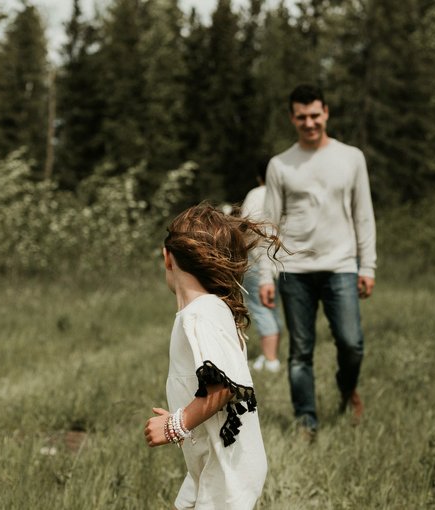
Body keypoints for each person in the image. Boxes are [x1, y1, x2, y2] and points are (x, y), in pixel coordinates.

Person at [144, 203, 282, 510]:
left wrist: (174, 425)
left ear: (168, 257)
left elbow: (221, 389)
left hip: (226, 470)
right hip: (216, 459)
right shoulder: (209, 310)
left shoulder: (200, 315)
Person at [259, 84, 377, 436]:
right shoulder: (280, 164)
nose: (309, 123)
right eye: (301, 117)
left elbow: (363, 214)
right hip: (294, 271)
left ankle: (346, 388)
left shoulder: (351, 157)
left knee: (351, 343)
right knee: (300, 352)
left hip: (341, 264)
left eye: (315, 115)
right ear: (292, 118)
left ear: (326, 112)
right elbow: (270, 225)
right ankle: (306, 421)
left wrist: (367, 265)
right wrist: (266, 275)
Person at [241, 161, 282, 373]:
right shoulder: (288, 193)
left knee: (261, 307)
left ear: (260, 177)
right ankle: (271, 356)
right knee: (272, 309)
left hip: (258, 259)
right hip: (284, 262)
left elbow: (246, 226)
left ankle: (270, 359)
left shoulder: (256, 194)